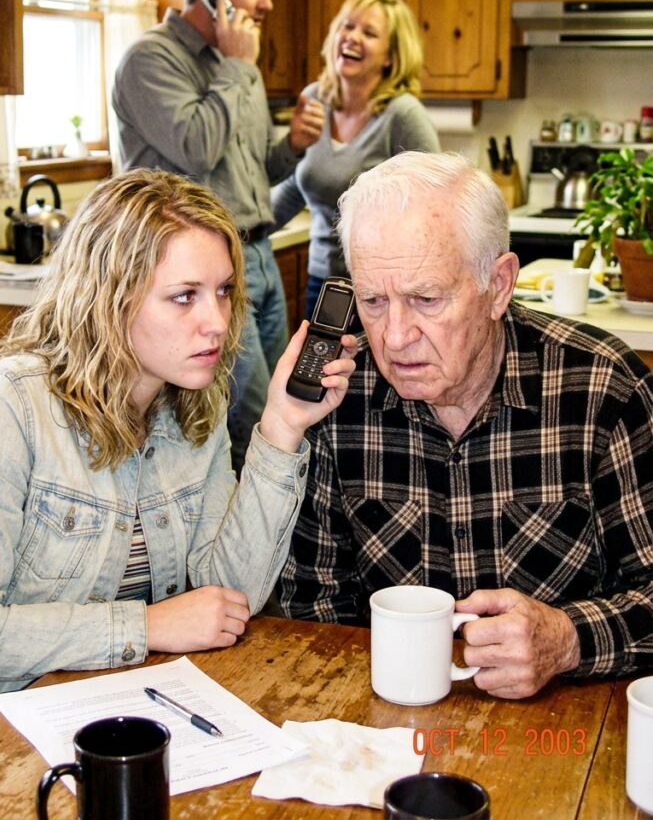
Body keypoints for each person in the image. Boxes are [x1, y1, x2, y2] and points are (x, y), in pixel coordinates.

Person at [0, 168, 356, 784]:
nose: (218, 322)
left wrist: (281, 426)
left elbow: (227, 597)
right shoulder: (7, 407)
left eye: (223, 291)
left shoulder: (195, 402)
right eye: (184, 296)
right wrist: (148, 626)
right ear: (110, 297)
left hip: (116, 715)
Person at [279, 151, 653, 700]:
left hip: (563, 723)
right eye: (373, 301)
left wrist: (568, 639)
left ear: (498, 286)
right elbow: (312, 604)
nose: (395, 337)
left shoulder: (601, 390)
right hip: (386, 718)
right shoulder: (338, 397)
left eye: (426, 299)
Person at [112, 0, 325, 473]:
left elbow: (251, 169)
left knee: (281, 408)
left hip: (258, 257)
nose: (267, 3)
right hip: (200, 274)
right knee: (247, 421)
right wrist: (236, 67)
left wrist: (293, 146)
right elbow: (196, 147)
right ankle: (237, 529)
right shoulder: (151, 60)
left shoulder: (236, 62)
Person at [271, 0, 439, 318]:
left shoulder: (402, 115)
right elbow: (298, 184)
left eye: (369, 33)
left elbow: (434, 204)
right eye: (347, 26)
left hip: (383, 291)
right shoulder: (314, 100)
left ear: (390, 56)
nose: (352, 37)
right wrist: (243, 229)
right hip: (322, 282)